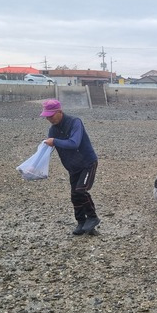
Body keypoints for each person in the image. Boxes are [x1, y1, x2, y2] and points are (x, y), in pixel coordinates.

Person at [41, 99, 100, 236]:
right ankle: (81, 222)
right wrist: (34, 166)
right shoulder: (53, 130)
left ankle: (92, 217)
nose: (48, 118)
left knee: (80, 190)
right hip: (73, 167)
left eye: (51, 115)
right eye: (46, 116)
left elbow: (74, 143)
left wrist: (54, 141)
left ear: (59, 112)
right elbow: (47, 150)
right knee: (74, 195)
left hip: (87, 163)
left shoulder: (75, 122)